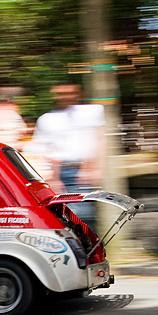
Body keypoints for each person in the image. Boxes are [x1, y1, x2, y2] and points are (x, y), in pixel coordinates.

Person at [32, 83, 106, 227]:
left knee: (84, 217)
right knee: (64, 219)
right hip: (61, 172)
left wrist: (95, 168)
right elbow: (46, 149)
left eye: (69, 92)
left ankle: (89, 248)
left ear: (78, 93)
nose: (66, 97)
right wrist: (53, 178)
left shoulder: (90, 112)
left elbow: (99, 139)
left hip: (83, 171)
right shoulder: (47, 119)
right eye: (61, 93)